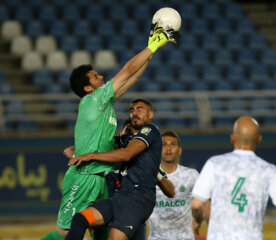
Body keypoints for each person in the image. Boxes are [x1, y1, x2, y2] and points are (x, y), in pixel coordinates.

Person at [42, 25, 178, 240]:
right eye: (95, 76)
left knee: (102, 232)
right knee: (63, 234)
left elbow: (132, 78)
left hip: (101, 178)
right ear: (88, 88)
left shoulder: (103, 104)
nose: (101, 76)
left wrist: (154, 50)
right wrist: (152, 46)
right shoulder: (93, 100)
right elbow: (126, 71)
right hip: (84, 177)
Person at [191, 116, 276, 240]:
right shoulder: (269, 170)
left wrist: (197, 220)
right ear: (259, 139)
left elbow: (196, 205)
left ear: (232, 138)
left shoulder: (214, 164)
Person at [64, 99, 163, 240]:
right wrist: (81, 155)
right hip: (118, 198)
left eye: (139, 109)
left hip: (138, 199)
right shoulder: (122, 141)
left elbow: (127, 154)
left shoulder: (151, 131)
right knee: (80, 219)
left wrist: (91, 155)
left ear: (150, 115)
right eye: (131, 110)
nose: (134, 113)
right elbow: (70, 150)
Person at [148, 130, 199, 240]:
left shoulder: (191, 175)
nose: (168, 148)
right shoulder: (148, 176)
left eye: (173, 144)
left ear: (180, 150)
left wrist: (198, 221)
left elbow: (202, 204)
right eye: (164, 145)